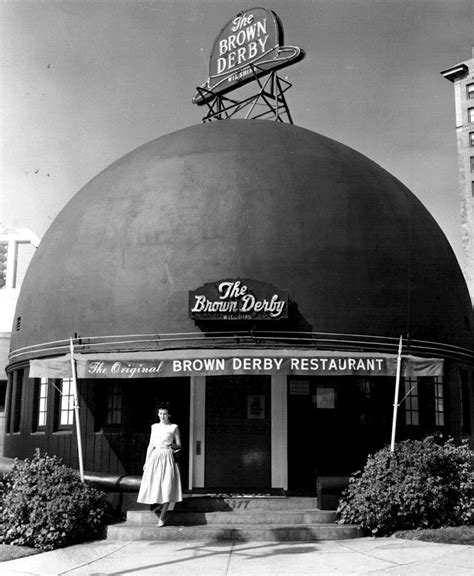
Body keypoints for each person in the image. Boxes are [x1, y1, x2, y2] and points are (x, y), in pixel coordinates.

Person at [137, 402, 183, 526]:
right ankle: (161, 506)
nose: (162, 416)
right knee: (156, 483)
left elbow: (179, 445)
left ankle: (163, 516)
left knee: (167, 484)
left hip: (167, 456)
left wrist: (171, 445)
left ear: (169, 415)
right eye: (160, 413)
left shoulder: (173, 427)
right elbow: (150, 445)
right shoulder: (154, 427)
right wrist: (146, 462)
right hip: (155, 457)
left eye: (165, 414)